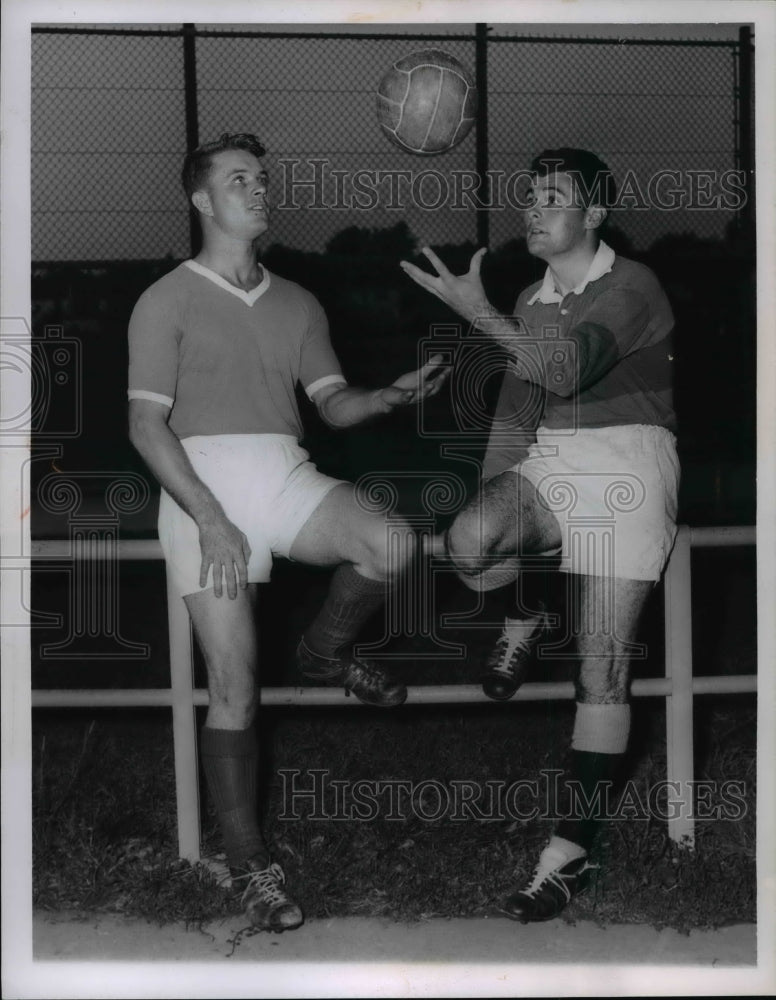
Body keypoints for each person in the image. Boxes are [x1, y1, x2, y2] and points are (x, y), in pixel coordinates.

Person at [127, 132, 447, 932]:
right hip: (200, 484)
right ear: (202, 200)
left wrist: (386, 397)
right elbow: (144, 427)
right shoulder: (165, 298)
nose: (260, 189)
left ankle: (325, 650)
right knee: (235, 685)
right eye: (241, 180)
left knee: (394, 544)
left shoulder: (299, 300)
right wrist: (211, 519)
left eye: (264, 179)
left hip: (283, 473)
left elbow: (331, 402)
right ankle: (249, 867)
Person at [400, 148, 678, 922]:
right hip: (556, 460)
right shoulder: (531, 294)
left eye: (553, 197)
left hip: (632, 459)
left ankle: (565, 856)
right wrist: (493, 504)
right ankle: (530, 605)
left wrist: (475, 312)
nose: (533, 207)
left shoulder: (633, 285)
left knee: (602, 674)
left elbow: (564, 372)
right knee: (468, 540)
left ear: (593, 216)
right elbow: (521, 414)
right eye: (530, 195)